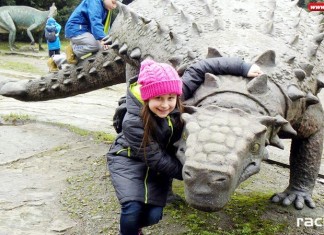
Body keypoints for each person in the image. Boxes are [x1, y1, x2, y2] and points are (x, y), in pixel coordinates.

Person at [107, 57, 263, 235]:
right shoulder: (133, 122)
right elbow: (155, 158)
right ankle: (127, 231)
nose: (165, 105)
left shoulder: (173, 93)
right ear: (146, 97)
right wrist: (194, 172)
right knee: (132, 209)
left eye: (170, 98)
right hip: (128, 159)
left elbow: (200, 67)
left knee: (154, 216)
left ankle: (136, 227)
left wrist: (243, 67)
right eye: (158, 98)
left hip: (159, 159)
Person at [64, 0, 118, 64]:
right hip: (76, 29)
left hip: (84, 30)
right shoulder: (94, 2)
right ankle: (73, 50)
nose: (114, 6)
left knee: (101, 46)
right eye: (113, 2)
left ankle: (58, 58)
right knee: (96, 45)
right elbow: (95, 21)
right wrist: (102, 39)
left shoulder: (104, 8)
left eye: (116, 5)